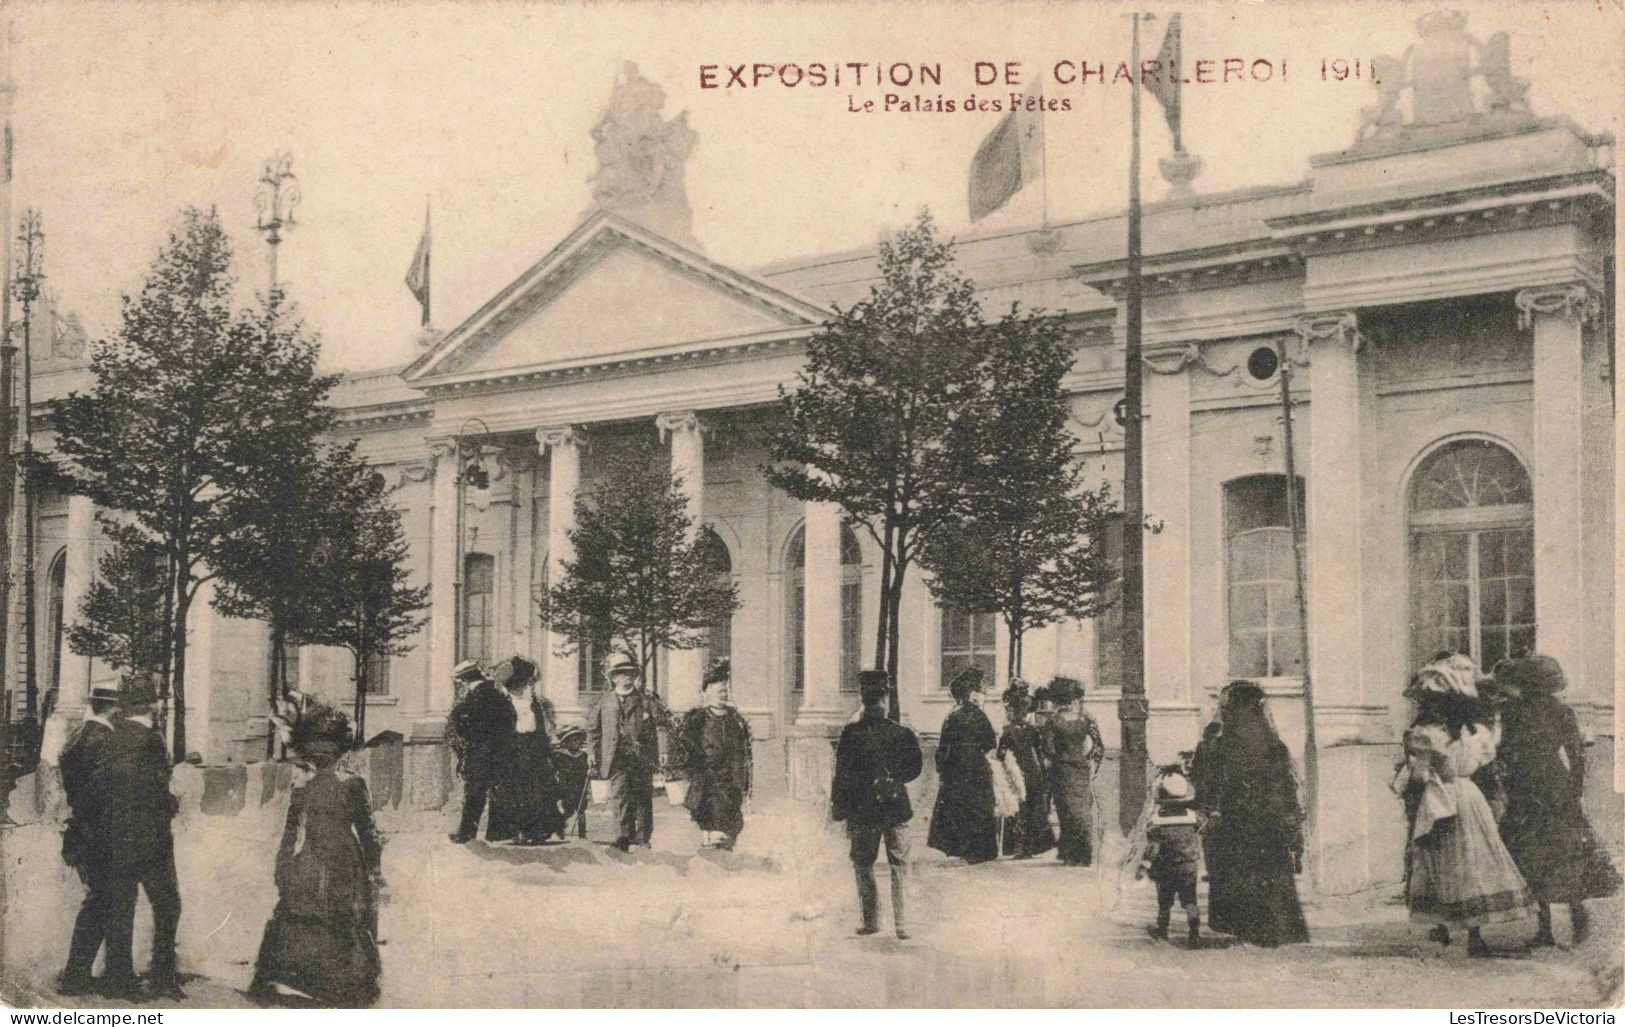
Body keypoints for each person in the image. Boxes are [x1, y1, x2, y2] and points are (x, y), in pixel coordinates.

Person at [1395, 665, 1534, 957]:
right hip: (1469, 796)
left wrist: (1409, 773)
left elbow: (1420, 777)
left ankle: (1445, 925)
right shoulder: (1476, 732)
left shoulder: (1424, 734)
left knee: (1441, 861)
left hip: (1441, 797)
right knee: (1473, 861)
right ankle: (1474, 935)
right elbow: (1484, 761)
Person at [250, 703, 384, 1007]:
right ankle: (344, 984)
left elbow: (290, 831)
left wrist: (282, 865)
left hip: (309, 856)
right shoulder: (353, 784)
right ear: (341, 753)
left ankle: (291, 977)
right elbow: (368, 832)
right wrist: (375, 867)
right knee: (342, 916)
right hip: (343, 859)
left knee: (300, 912)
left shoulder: (303, 785)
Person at [1492, 653, 1620, 947]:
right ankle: (1575, 916)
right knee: (1563, 851)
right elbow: (1577, 755)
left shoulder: (1513, 711)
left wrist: (1508, 781)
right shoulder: (1560, 710)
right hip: (1553, 785)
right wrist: (1574, 791)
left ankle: (1548, 928)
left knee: (1533, 855)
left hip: (1527, 788)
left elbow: (1505, 751)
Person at [1199, 680, 1309, 948]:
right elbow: (1287, 787)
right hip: (1270, 821)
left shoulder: (1223, 746)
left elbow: (1211, 783)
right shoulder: (1274, 745)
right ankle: (1277, 929)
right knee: (1270, 871)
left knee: (1241, 871)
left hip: (1236, 821)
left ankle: (1245, 928)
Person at [831, 670, 923, 940]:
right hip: (896, 808)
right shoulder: (902, 733)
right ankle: (902, 924)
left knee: (863, 864)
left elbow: (842, 775)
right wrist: (894, 779)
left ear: (862, 698)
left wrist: (840, 809)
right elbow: (914, 768)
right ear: (885, 698)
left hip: (863, 811)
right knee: (899, 866)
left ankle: (871, 921)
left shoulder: (850, 733)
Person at [57, 685, 126, 997]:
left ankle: (80, 972)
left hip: (81, 831)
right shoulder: (106, 741)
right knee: (101, 902)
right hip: (100, 833)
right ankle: (77, 977)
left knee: (99, 901)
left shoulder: (78, 735)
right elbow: (107, 793)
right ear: (113, 709)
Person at [587, 655, 662, 851]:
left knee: (643, 796)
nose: (627, 677)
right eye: (622, 674)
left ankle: (643, 837)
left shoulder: (645, 700)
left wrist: (662, 752)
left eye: (630, 673)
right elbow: (594, 730)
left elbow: (660, 727)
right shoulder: (604, 701)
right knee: (620, 795)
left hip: (641, 755)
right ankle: (622, 836)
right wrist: (592, 753)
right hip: (615, 756)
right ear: (614, 679)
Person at [679, 659, 754, 851]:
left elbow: (744, 750)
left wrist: (744, 780)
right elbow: (685, 745)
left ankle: (722, 851)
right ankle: (711, 852)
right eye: (719, 690)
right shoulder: (697, 718)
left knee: (733, 821)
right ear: (707, 692)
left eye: (725, 690)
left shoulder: (735, 719)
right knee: (710, 817)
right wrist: (695, 768)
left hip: (731, 778)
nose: (723, 694)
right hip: (707, 777)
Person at [927, 667, 998, 864]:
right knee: (979, 806)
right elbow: (991, 742)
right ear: (972, 694)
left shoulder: (952, 716)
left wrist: (942, 769)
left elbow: (943, 746)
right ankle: (981, 851)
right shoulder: (979, 715)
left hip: (956, 767)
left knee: (959, 807)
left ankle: (962, 849)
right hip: (977, 766)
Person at [489, 655, 559, 845]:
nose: (520, 689)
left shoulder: (534, 703)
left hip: (534, 751)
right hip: (511, 753)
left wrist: (545, 751)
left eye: (523, 685)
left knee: (537, 792)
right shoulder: (502, 704)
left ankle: (537, 831)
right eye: (516, 686)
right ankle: (517, 831)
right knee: (514, 793)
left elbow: (541, 730)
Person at [448, 659, 515, 844]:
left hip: (479, 751)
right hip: (499, 751)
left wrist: (467, 739)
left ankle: (466, 833)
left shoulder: (474, 696)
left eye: (461, 681)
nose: (460, 685)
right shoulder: (498, 694)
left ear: (466, 679)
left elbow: (461, 722)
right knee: (497, 791)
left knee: (474, 793)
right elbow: (511, 720)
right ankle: (498, 832)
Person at [1040, 675, 1104, 866]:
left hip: (1062, 768)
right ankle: (1085, 853)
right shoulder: (1085, 718)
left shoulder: (1053, 721)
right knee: (1083, 808)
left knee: (1066, 810)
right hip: (1081, 768)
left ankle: (1070, 854)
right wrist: (1088, 760)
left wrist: (1056, 757)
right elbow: (1098, 746)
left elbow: (1048, 748)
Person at [1137, 766, 1203, 946]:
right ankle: (1194, 933)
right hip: (1188, 865)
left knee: (1164, 902)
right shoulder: (1192, 817)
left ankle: (1162, 931)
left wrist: (1144, 866)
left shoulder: (1157, 820)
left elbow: (1153, 847)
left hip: (1166, 866)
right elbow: (1202, 827)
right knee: (1190, 901)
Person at [997, 681, 1054, 859]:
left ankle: (1017, 848)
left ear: (1013, 712)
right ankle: (1030, 848)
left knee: (1017, 809)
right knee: (1032, 809)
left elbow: (1000, 754)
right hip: (1032, 771)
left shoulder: (1007, 731)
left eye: (1009, 711)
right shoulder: (1033, 730)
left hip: (1015, 771)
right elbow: (1040, 752)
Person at [551, 725, 591, 840]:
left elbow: (588, 769)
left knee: (581, 811)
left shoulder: (583, 755)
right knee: (568, 811)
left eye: (579, 740)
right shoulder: (560, 755)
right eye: (574, 740)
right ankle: (560, 827)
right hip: (566, 787)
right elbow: (553, 769)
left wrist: (591, 770)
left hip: (580, 787)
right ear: (567, 742)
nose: (578, 742)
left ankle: (582, 835)